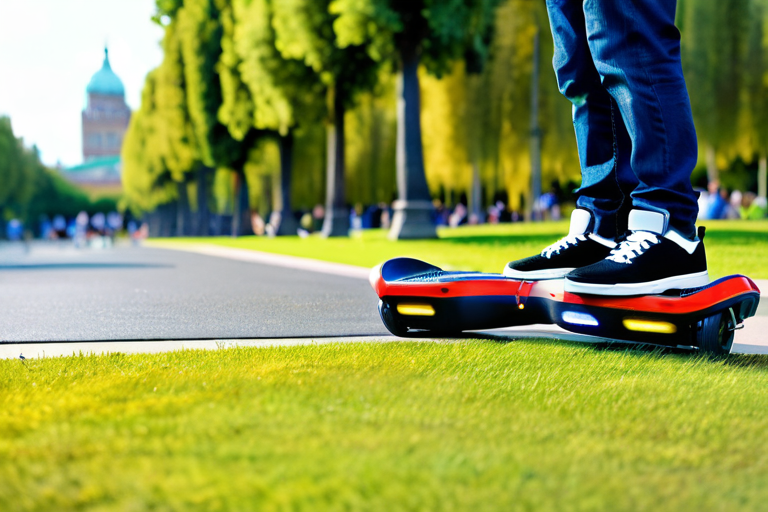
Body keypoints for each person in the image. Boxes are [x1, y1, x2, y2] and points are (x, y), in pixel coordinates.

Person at [504, 0, 708, 296]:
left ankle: (669, 228)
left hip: (670, 228)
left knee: (630, 39)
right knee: (576, 67)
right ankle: (603, 227)